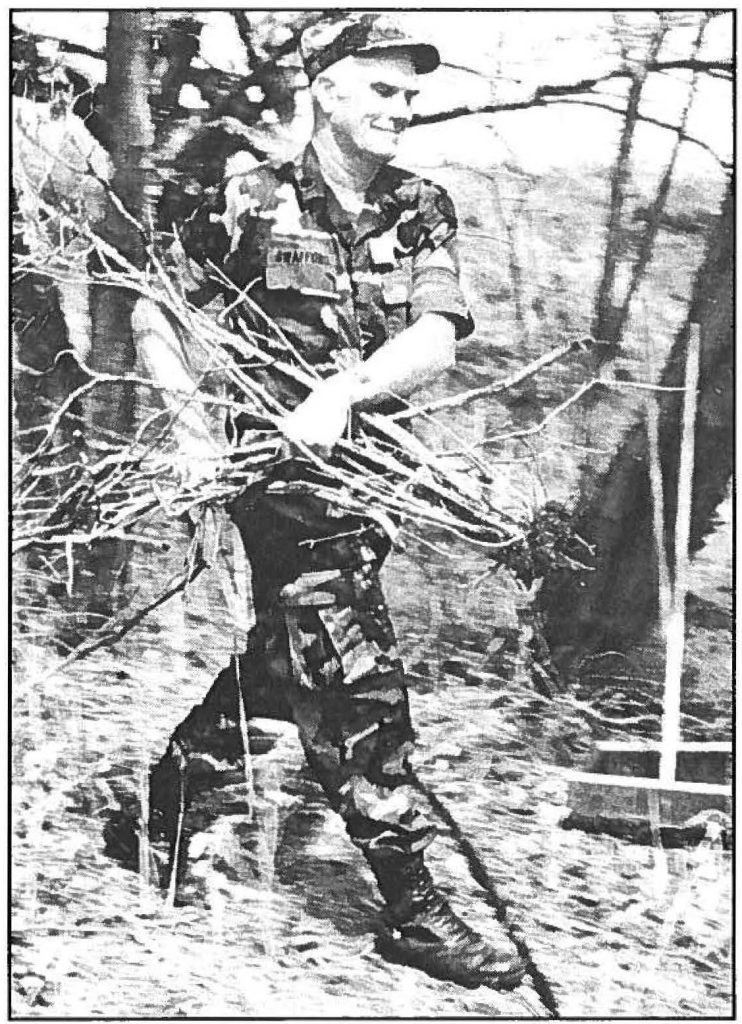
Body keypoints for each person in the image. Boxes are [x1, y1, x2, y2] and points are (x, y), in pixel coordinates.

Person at [130, 14, 526, 991]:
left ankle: (174, 789)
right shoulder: (249, 195)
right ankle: (414, 909)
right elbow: (157, 308)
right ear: (329, 90)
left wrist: (344, 389)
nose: (401, 107)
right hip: (272, 476)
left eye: (409, 93)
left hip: (366, 475)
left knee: (290, 656)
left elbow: (437, 332)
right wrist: (189, 430)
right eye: (382, 89)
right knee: (355, 676)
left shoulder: (418, 206)